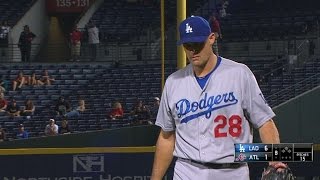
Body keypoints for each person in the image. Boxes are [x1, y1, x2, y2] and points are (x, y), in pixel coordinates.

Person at [151, 16, 286, 180]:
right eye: (188, 45)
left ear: (211, 38)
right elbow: (166, 137)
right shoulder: (173, 82)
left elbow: (265, 122)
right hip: (187, 170)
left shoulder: (239, 74)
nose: (193, 50)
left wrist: (275, 160)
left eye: (198, 44)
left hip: (232, 171)